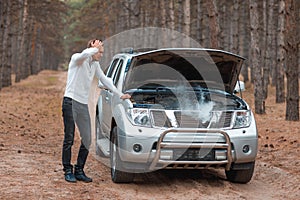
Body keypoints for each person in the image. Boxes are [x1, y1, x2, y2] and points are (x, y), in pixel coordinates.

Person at [62, 39, 130, 183]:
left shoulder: (95, 64)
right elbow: (85, 54)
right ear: (92, 49)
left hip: (82, 104)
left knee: (87, 139)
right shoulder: (77, 59)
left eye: (102, 52)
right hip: (70, 102)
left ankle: (79, 169)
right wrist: (93, 48)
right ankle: (67, 170)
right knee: (69, 137)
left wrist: (120, 94)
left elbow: (106, 80)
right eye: (99, 52)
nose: (101, 55)